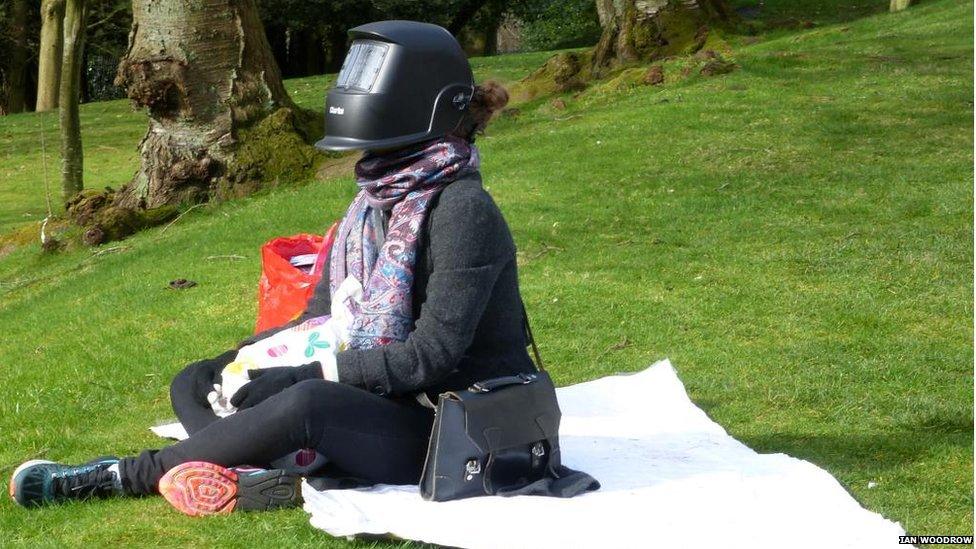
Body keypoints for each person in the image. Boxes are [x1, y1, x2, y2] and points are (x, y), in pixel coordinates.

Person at [9, 21, 536, 516]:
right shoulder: (370, 205)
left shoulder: (463, 210)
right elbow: (320, 317)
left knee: (307, 402)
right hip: (379, 400)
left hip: (448, 423)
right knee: (195, 381)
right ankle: (268, 470)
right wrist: (241, 359)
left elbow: (432, 357)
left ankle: (124, 475)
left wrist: (307, 375)